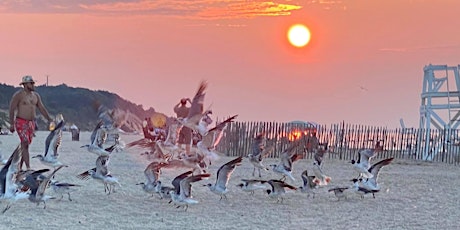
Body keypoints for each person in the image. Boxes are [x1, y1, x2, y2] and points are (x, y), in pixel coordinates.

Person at [9, 75, 53, 171]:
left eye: (33, 83)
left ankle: (19, 168)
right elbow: (12, 108)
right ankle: (28, 167)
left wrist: (49, 119)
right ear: (25, 85)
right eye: (31, 83)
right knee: (25, 143)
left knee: (25, 145)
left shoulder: (36, 96)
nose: (33, 85)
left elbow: (41, 108)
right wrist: (11, 123)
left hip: (31, 123)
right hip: (21, 121)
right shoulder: (19, 95)